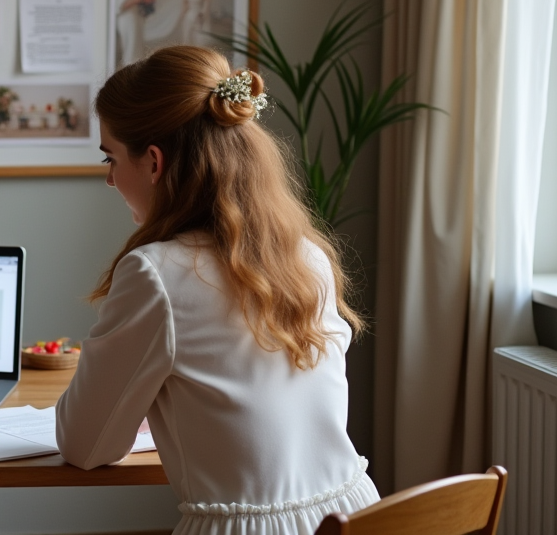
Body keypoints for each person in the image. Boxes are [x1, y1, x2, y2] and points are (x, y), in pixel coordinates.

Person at [56, 46, 380, 534]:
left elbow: (86, 446)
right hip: (360, 516)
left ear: (154, 162)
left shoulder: (155, 274)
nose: (109, 178)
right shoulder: (307, 254)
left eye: (112, 157)